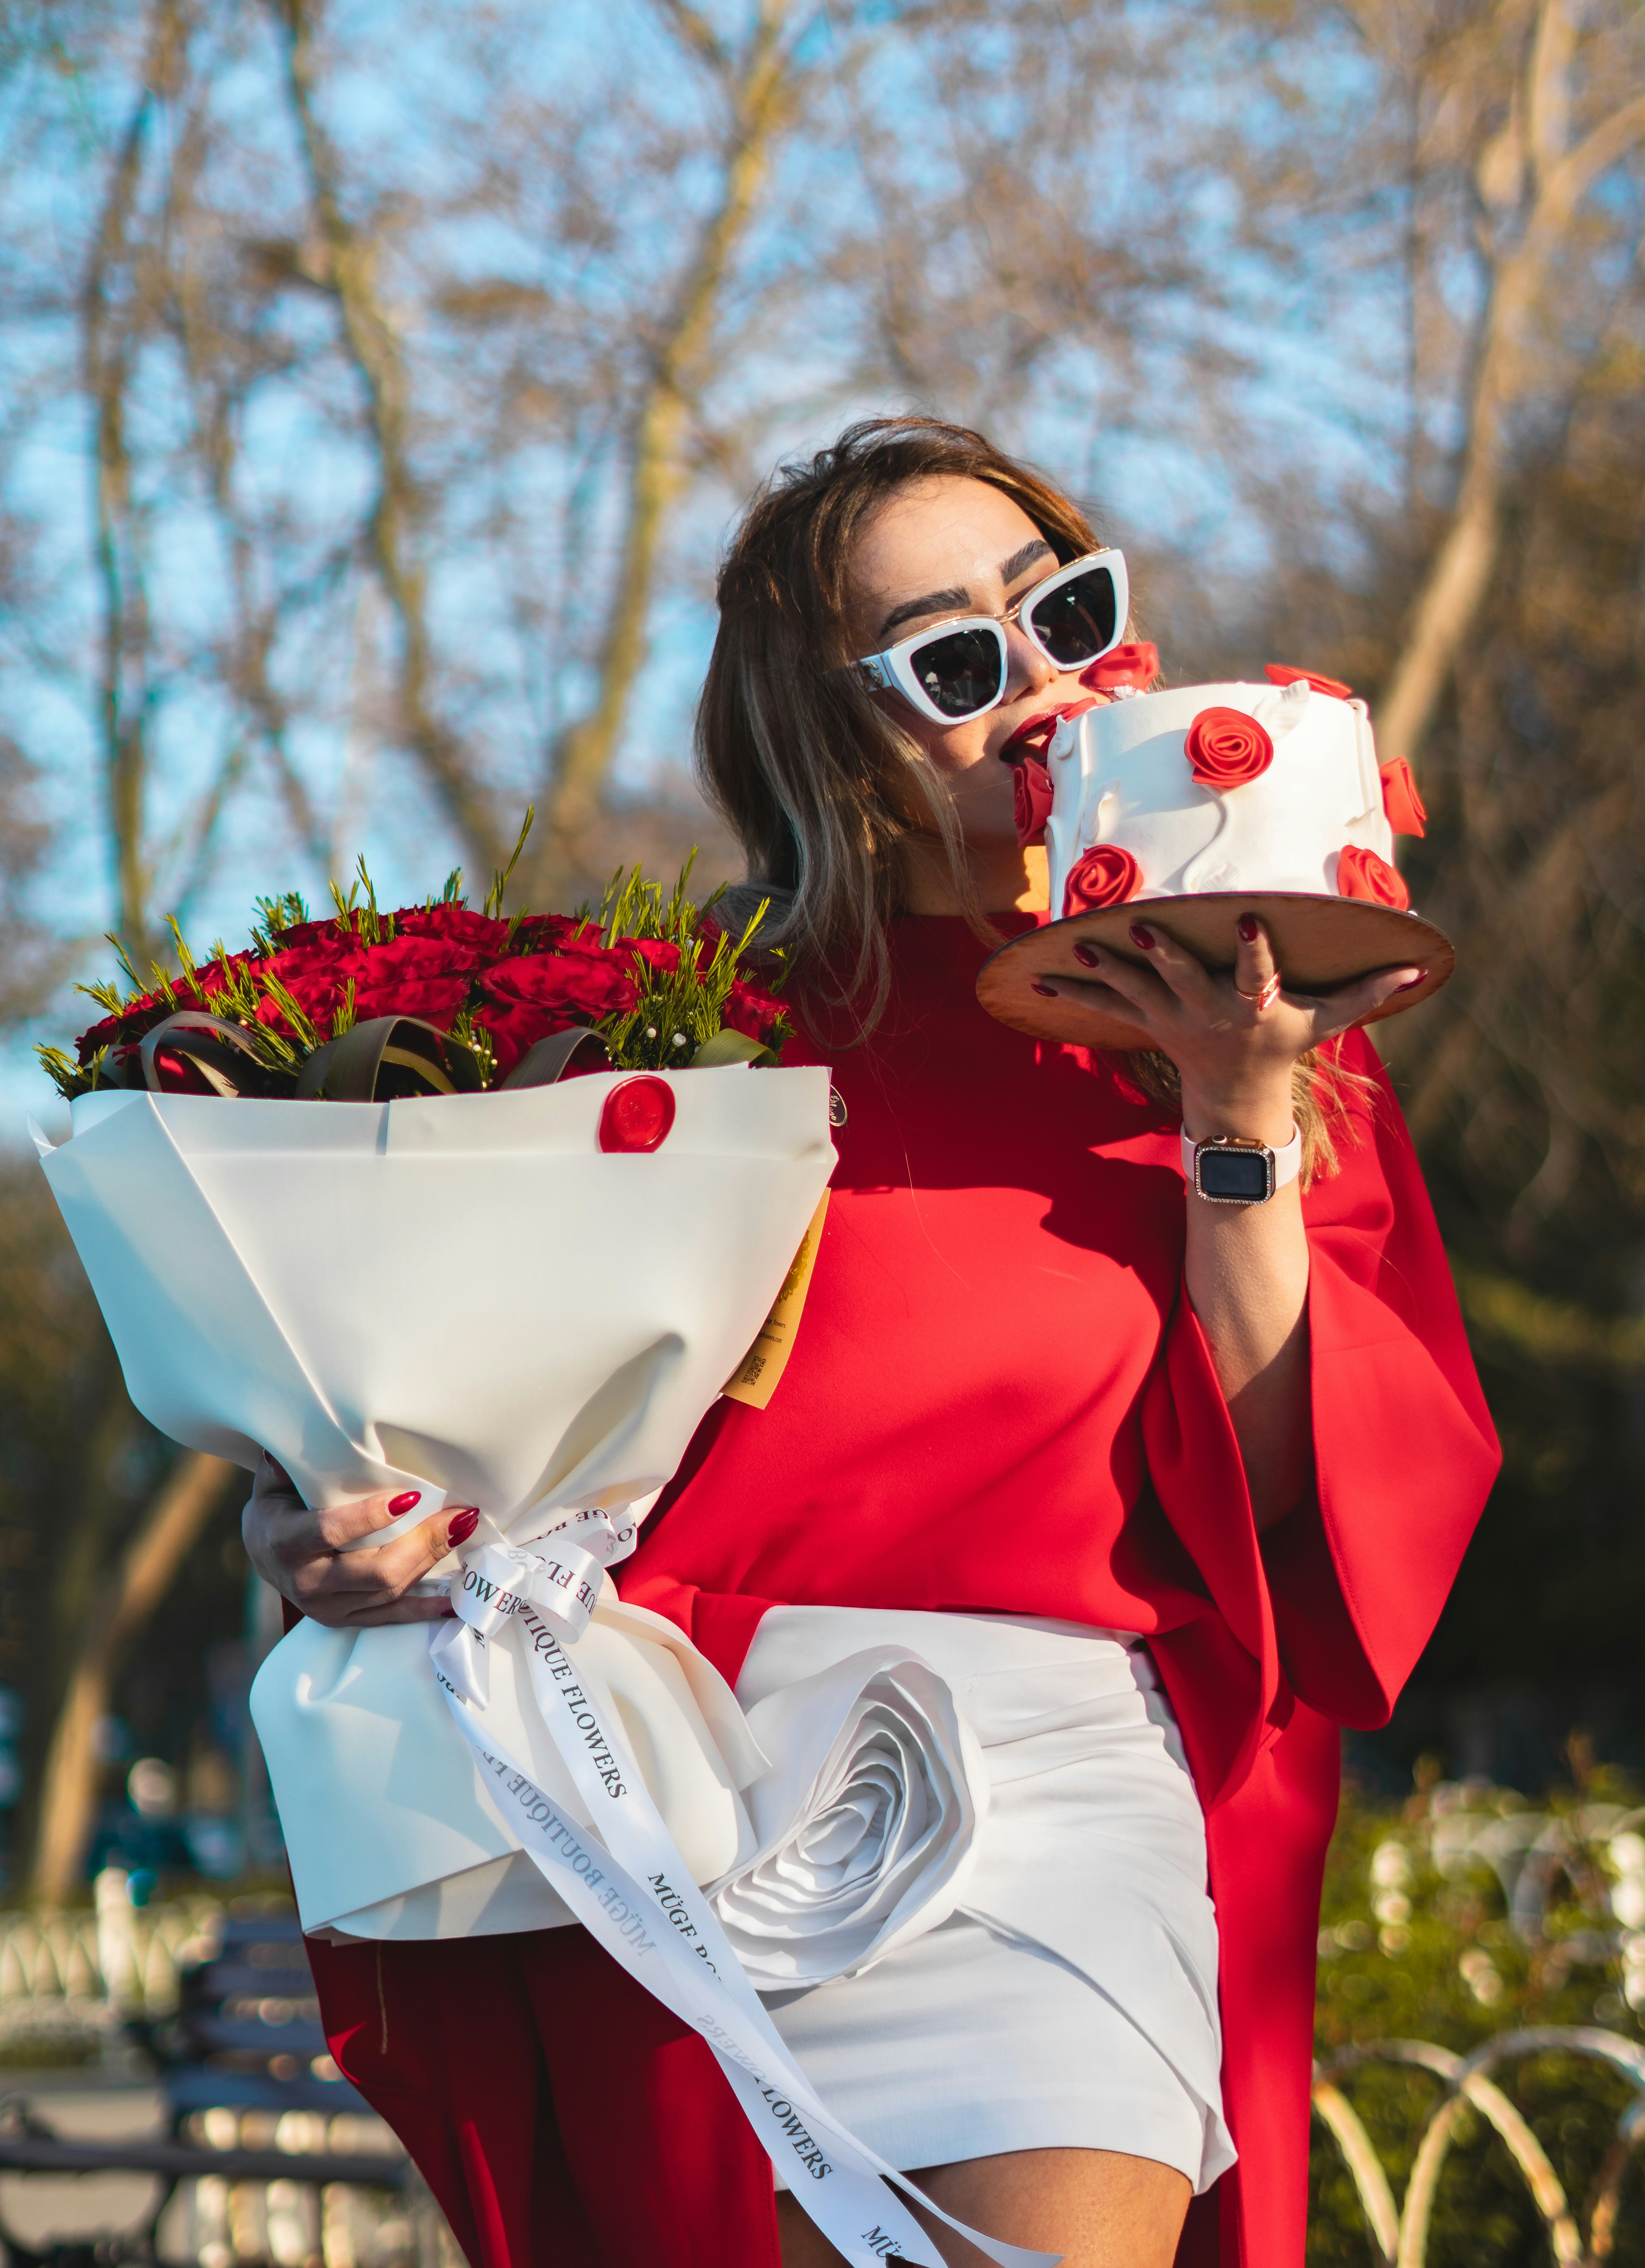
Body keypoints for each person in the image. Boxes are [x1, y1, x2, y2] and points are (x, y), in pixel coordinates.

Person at [245, 416, 1499, 2268]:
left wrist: (1236, 1117)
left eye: (1067, 611)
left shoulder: (1271, 1024)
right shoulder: (665, 1040)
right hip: (677, 1797)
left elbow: (1306, 1507)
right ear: (834, 742)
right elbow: (471, 1443)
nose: (1048, 690)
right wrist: (343, 1524)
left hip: (1062, 1789)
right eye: (959, 663)